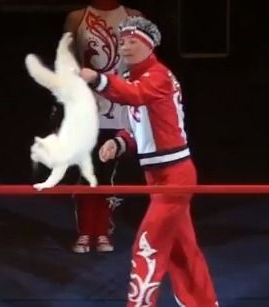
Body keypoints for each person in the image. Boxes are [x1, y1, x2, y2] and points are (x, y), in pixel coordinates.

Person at [80, 16, 219, 307]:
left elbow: (135, 96)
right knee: (183, 251)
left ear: (148, 45)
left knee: (147, 246)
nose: (125, 47)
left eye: (132, 42)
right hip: (158, 176)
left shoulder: (157, 76)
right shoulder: (136, 79)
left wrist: (99, 79)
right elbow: (139, 125)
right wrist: (119, 142)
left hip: (174, 176)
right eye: (123, 42)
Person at [62, 0, 142, 253]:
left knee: (110, 172)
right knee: (87, 169)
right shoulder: (77, 17)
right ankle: (86, 231)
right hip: (87, 106)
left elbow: (142, 64)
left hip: (119, 103)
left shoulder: (133, 16)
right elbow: (66, 63)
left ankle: (104, 230)